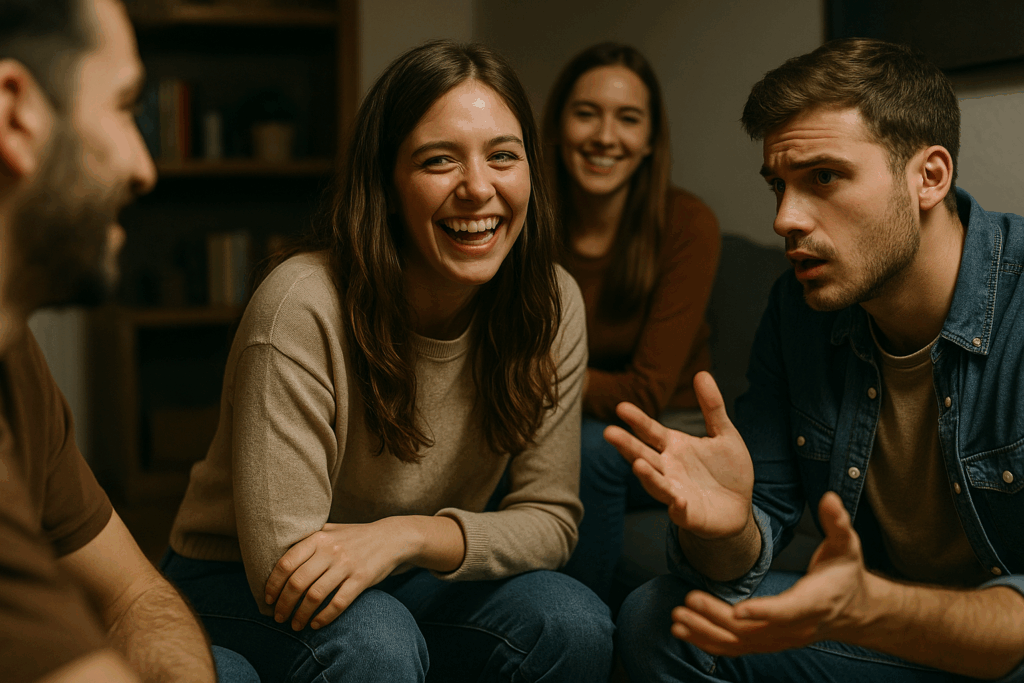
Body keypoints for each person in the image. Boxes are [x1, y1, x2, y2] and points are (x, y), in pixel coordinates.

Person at [161, 39, 615, 683]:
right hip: (237, 578)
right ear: (387, 183)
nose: (478, 188)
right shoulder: (301, 303)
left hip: (407, 569)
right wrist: (396, 550)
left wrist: (408, 536)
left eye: (503, 156)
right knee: (377, 638)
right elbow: (283, 564)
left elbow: (550, 519)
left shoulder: (552, 302)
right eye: (439, 161)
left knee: (574, 619)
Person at [612, 38, 1024, 682]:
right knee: (660, 618)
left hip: (1004, 647)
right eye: (779, 185)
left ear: (930, 176)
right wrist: (725, 532)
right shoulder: (799, 310)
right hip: (890, 638)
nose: (784, 219)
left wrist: (875, 607)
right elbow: (751, 537)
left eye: (823, 177)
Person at [0, 0, 258, 681]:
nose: (145, 168)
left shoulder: (15, 357)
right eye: (123, 107)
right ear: (13, 115)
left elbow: (135, 593)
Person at [542, 42, 720, 604]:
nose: (604, 136)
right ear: (558, 126)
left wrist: (529, 375)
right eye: (586, 113)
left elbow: (646, 390)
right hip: (553, 419)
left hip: (669, 424)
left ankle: (578, 634)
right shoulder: (525, 219)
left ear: (648, 141)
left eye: (628, 118)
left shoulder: (687, 224)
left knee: (593, 449)